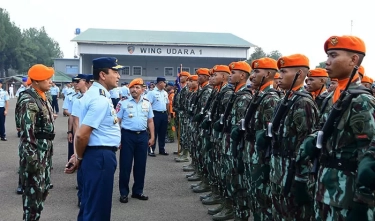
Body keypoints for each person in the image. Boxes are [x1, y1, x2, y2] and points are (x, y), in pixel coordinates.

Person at [300, 35, 375, 221]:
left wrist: (363, 202)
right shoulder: (335, 97)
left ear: (354, 60)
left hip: (346, 195)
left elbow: (368, 156)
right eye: (328, 56)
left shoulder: (361, 101)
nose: (327, 62)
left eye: (333, 55)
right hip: (325, 186)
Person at [72, 57, 122, 221]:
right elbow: (81, 134)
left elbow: (81, 131)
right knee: (97, 210)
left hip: (94, 155)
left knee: (89, 205)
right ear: (102, 74)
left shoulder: (96, 94)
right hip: (100, 157)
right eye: (115, 72)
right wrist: (79, 157)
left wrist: (78, 155)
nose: (118, 76)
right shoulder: (99, 98)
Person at [16, 64, 55, 221]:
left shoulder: (42, 97)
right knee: (33, 196)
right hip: (35, 154)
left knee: (42, 192)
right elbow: (27, 134)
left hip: (44, 151)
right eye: (47, 78)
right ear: (37, 81)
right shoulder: (29, 100)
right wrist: (33, 162)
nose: (50, 81)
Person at [116, 78, 155, 203]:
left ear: (143, 89)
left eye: (137, 87)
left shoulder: (147, 103)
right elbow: (117, 121)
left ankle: (138, 191)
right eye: (132, 87)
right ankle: (123, 193)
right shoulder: (123, 103)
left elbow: (150, 121)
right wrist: (118, 139)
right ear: (129, 89)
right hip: (127, 136)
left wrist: (152, 136)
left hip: (142, 136)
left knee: (140, 165)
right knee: (125, 165)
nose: (134, 90)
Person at [146, 77, 170, 156]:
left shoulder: (165, 93)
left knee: (163, 133)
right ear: (160, 83)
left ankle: (162, 149)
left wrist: (168, 114)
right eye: (164, 82)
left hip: (164, 114)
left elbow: (167, 104)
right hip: (155, 114)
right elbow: (148, 104)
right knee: (153, 133)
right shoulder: (151, 93)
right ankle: (151, 149)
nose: (165, 84)